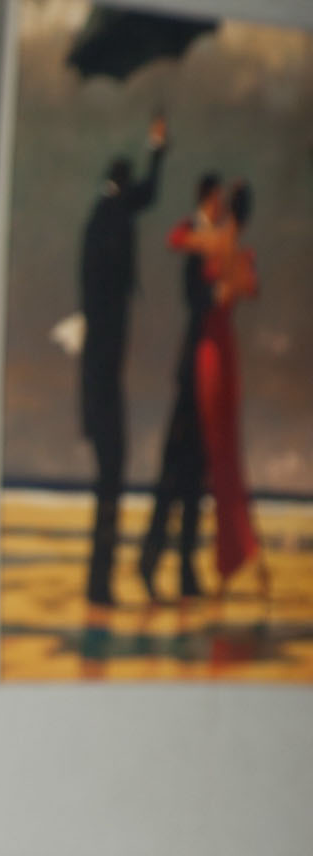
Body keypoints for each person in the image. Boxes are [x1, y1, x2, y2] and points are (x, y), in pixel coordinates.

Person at [75, 120, 166, 605]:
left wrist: (156, 148)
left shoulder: (101, 218)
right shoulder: (112, 221)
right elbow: (147, 196)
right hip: (103, 371)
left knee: (109, 475)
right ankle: (100, 584)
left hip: (99, 372)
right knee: (111, 471)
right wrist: (158, 150)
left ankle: (100, 583)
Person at [140, 173, 224, 600]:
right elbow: (195, 291)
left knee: (194, 475)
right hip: (193, 369)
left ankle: (185, 571)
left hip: (206, 369)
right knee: (176, 471)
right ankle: (151, 560)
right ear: (207, 199)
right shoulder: (195, 235)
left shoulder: (214, 240)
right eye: (216, 201)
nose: (220, 208)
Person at [192, 179, 262, 587]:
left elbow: (227, 292)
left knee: (220, 453)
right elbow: (248, 288)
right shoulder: (235, 248)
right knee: (225, 453)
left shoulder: (219, 243)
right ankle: (234, 553)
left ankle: (231, 556)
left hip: (213, 351)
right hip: (222, 349)